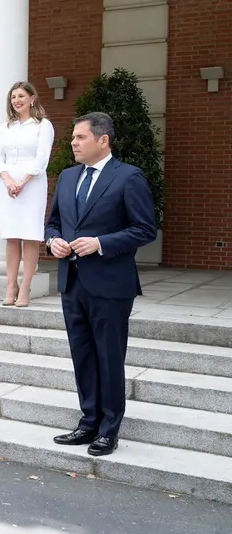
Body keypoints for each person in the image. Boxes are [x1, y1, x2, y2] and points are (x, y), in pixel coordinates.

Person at [45, 112, 156, 457]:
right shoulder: (66, 177)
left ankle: (109, 429)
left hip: (110, 284)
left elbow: (144, 229)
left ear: (102, 140)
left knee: (109, 356)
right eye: (73, 139)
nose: (73, 144)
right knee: (82, 355)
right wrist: (54, 242)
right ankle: (88, 421)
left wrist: (100, 243)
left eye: (80, 138)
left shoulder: (128, 177)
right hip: (72, 281)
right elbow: (53, 224)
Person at [0, 81, 55, 307]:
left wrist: (23, 181)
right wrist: (8, 181)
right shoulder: (5, 127)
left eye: (20, 96)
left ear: (32, 98)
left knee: (30, 235)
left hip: (32, 184)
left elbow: (42, 157)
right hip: (7, 185)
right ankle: (11, 285)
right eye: (13, 97)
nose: (16, 100)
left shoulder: (42, 125)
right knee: (11, 236)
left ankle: (26, 285)